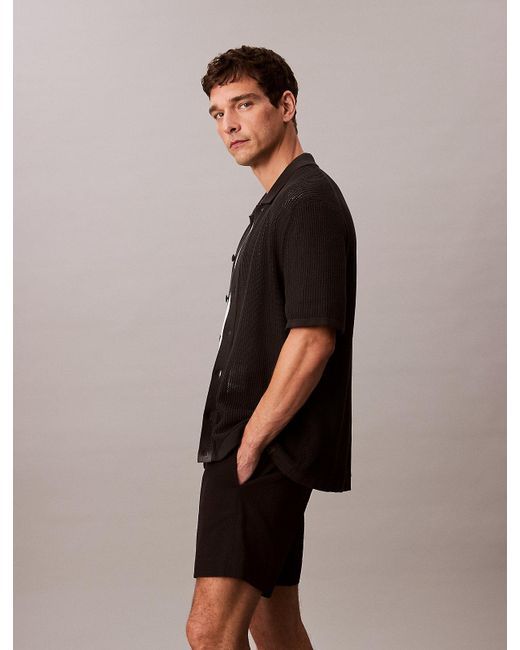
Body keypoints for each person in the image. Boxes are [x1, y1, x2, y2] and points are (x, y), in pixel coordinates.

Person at [186, 45, 357, 650]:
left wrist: (251, 442)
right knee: (273, 624)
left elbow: (313, 337)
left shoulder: (306, 201)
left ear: (286, 106)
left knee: (210, 632)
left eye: (244, 104)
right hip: (259, 444)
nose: (228, 123)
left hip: (263, 446)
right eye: (217, 112)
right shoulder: (279, 203)